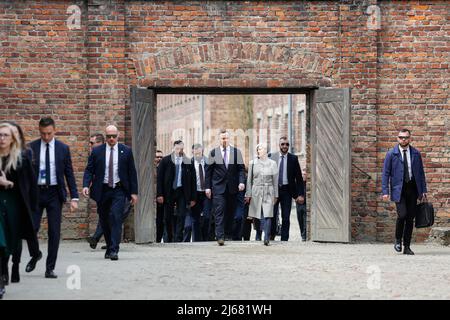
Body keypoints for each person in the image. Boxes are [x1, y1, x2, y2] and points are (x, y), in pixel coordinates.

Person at [29, 117, 79, 278]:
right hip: (36, 193)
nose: (46, 137)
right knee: (31, 229)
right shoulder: (31, 148)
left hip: (54, 194)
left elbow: (69, 174)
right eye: (43, 134)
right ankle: (35, 254)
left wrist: (74, 197)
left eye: (49, 133)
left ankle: (50, 267)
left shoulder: (63, 148)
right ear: (39, 131)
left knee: (54, 232)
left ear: (54, 130)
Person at [82, 125, 138, 261]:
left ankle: (114, 250)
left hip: (119, 189)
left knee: (116, 217)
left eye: (114, 136)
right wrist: (85, 185)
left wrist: (134, 192)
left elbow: (132, 173)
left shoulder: (126, 151)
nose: (111, 139)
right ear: (105, 136)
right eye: (109, 136)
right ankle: (109, 246)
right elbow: (89, 170)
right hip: (103, 189)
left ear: (118, 135)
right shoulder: (97, 152)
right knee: (104, 220)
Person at [0, 123, 38, 298]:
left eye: (6, 135)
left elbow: (30, 185)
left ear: (13, 139)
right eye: (0, 135)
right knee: (1, 242)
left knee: (13, 238)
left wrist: (8, 183)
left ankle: (14, 264)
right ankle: (1, 277)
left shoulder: (21, 158)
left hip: (15, 204)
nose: (2, 139)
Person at [382, 129, 427, 255]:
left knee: (410, 218)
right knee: (402, 215)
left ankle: (407, 246)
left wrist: (423, 190)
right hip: (399, 190)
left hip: (413, 189)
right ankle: (398, 240)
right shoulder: (391, 154)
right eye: (401, 137)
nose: (403, 140)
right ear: (397, 138)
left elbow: (421, 173)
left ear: (410, 138)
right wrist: (385, 191)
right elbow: (385, 173)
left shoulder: (416, 154)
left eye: (406, 137)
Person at [205, 129, 245, 246]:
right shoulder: (214, 153)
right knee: (219, 212)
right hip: (218, 188)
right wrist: (208, 187)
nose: (225, 140)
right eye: (222, 138)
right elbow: (208, 171)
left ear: (229, 139)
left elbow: (241, 169)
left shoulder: (236, 152)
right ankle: (220, 236)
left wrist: (241, 182)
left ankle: (228, 234)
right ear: (219, 139)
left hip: (232, 188)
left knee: (230, 212)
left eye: (226, 138)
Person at [156, 141, 196, 242]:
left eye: (181, 149)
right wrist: (160, 194)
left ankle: (178, 238)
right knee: (167, 217)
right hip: (169, 192)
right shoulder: (166, 160)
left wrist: (193, 198)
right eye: (177, 149)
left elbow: (193, 180)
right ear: (173, 148)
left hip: (182, 191)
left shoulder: (188, 162)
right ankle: (169, 237)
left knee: (181, 215)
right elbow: (159, 178)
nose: (179, 151)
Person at [268, 136, 304, 241]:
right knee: (272, 215)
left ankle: (284, 239)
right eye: (283, 144)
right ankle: (271, 235)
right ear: (279, 145)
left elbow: (299, 178)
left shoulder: (293, 158)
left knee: (286, 217)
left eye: (287, 144)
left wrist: (300, 194)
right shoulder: (271, 157)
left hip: (287, 191)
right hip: (274, 191)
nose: (285, 146)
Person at [245, 144, 278, 246]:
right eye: (258, 149)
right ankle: (258, 234)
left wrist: (275, 195)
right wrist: (248, 194)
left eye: (262, 149)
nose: (260, 151)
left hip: (269, 190)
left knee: (268, 214)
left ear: (266, 151)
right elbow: (249, 180)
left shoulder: (273, 163)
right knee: (257, 215)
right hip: (256, 190)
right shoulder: (252, 163)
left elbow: (275, 181)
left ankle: (266, 237)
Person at [187, 144, 209, 242]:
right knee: (195, 219)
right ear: (192, 152)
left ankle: (206, 239)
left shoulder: (209, 162)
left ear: (202, 152)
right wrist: (190, 197)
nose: (197, 155)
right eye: (195, 153)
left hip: (206, 194)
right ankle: (196, 241)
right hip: (195, 194)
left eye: (199, 153)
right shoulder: (189, 163)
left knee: (207, 217)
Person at [154, 150, 165, 243]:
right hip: (152, 199)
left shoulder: (165, 169)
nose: (159, 159)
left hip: (162, 199)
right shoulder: (151, 170)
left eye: (161, 157)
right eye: (157, 157)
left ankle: (158, 239)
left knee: (161, 220)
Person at [296, 168, 307, 241]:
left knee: (305, 219)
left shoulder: (308, 184)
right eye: (302, 174)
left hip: (306, 204)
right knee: (300, 220)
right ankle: (302, 234)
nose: (303, 176)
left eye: (305, 174)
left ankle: (304, 235)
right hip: (298, 204)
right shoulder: (298, 183)